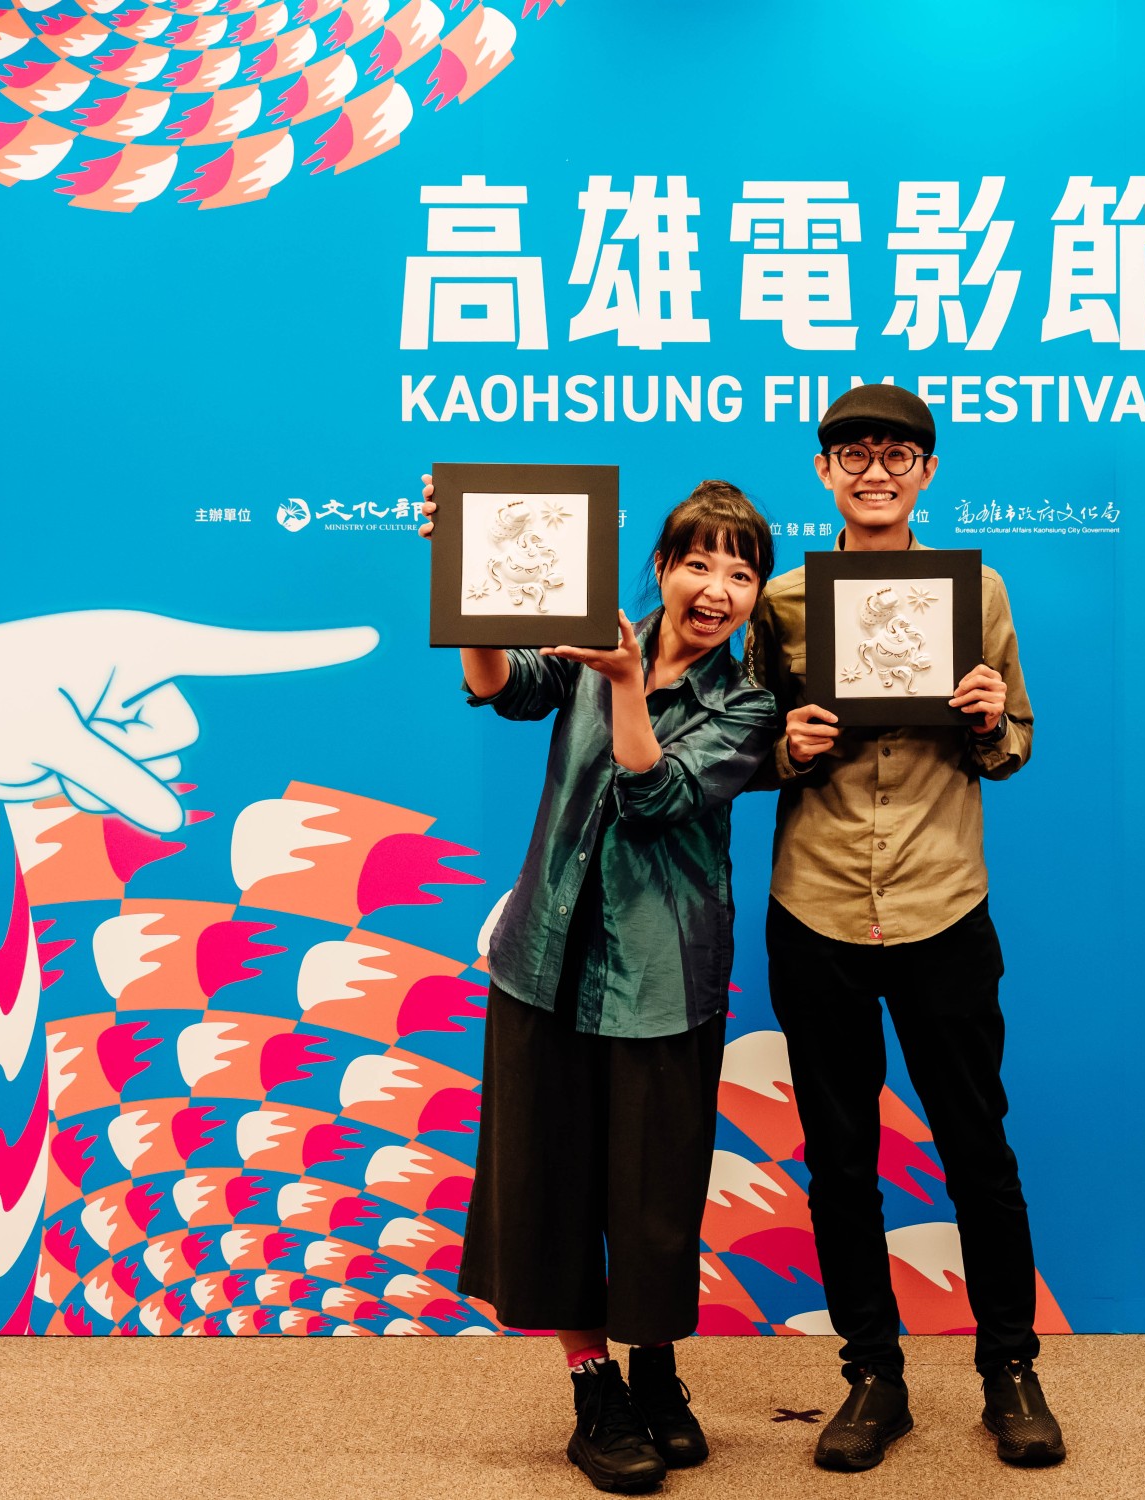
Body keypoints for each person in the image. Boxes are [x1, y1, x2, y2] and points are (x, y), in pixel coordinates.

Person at [420, 477, 778, 1494]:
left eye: (740, 572)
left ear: (755, 594)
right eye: (698, 562)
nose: (716, 588)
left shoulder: (748, 704)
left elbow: (652, 793)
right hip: (543, 963)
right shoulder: (592, 642)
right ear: (661, 569)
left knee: (655, 1196)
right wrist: (467, 581)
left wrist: (625, 683)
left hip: (663, 977)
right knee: (551, 1184)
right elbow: (500, 683)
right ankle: (594, 1388)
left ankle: (655, 1371)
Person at [744, 385, 1066, 1470]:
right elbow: (741, 744)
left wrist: (990, 718)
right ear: (824, 470)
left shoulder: (977, 592)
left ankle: (1010, 1369)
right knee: (840, 1161)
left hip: (942, 901)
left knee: (977, 1147)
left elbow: (1014, 743)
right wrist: (786, 748)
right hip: (818, 904)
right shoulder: (781, 600)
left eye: (895, 455)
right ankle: (872, 1378)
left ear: (926, 472)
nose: (874, 471)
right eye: (853, 454)